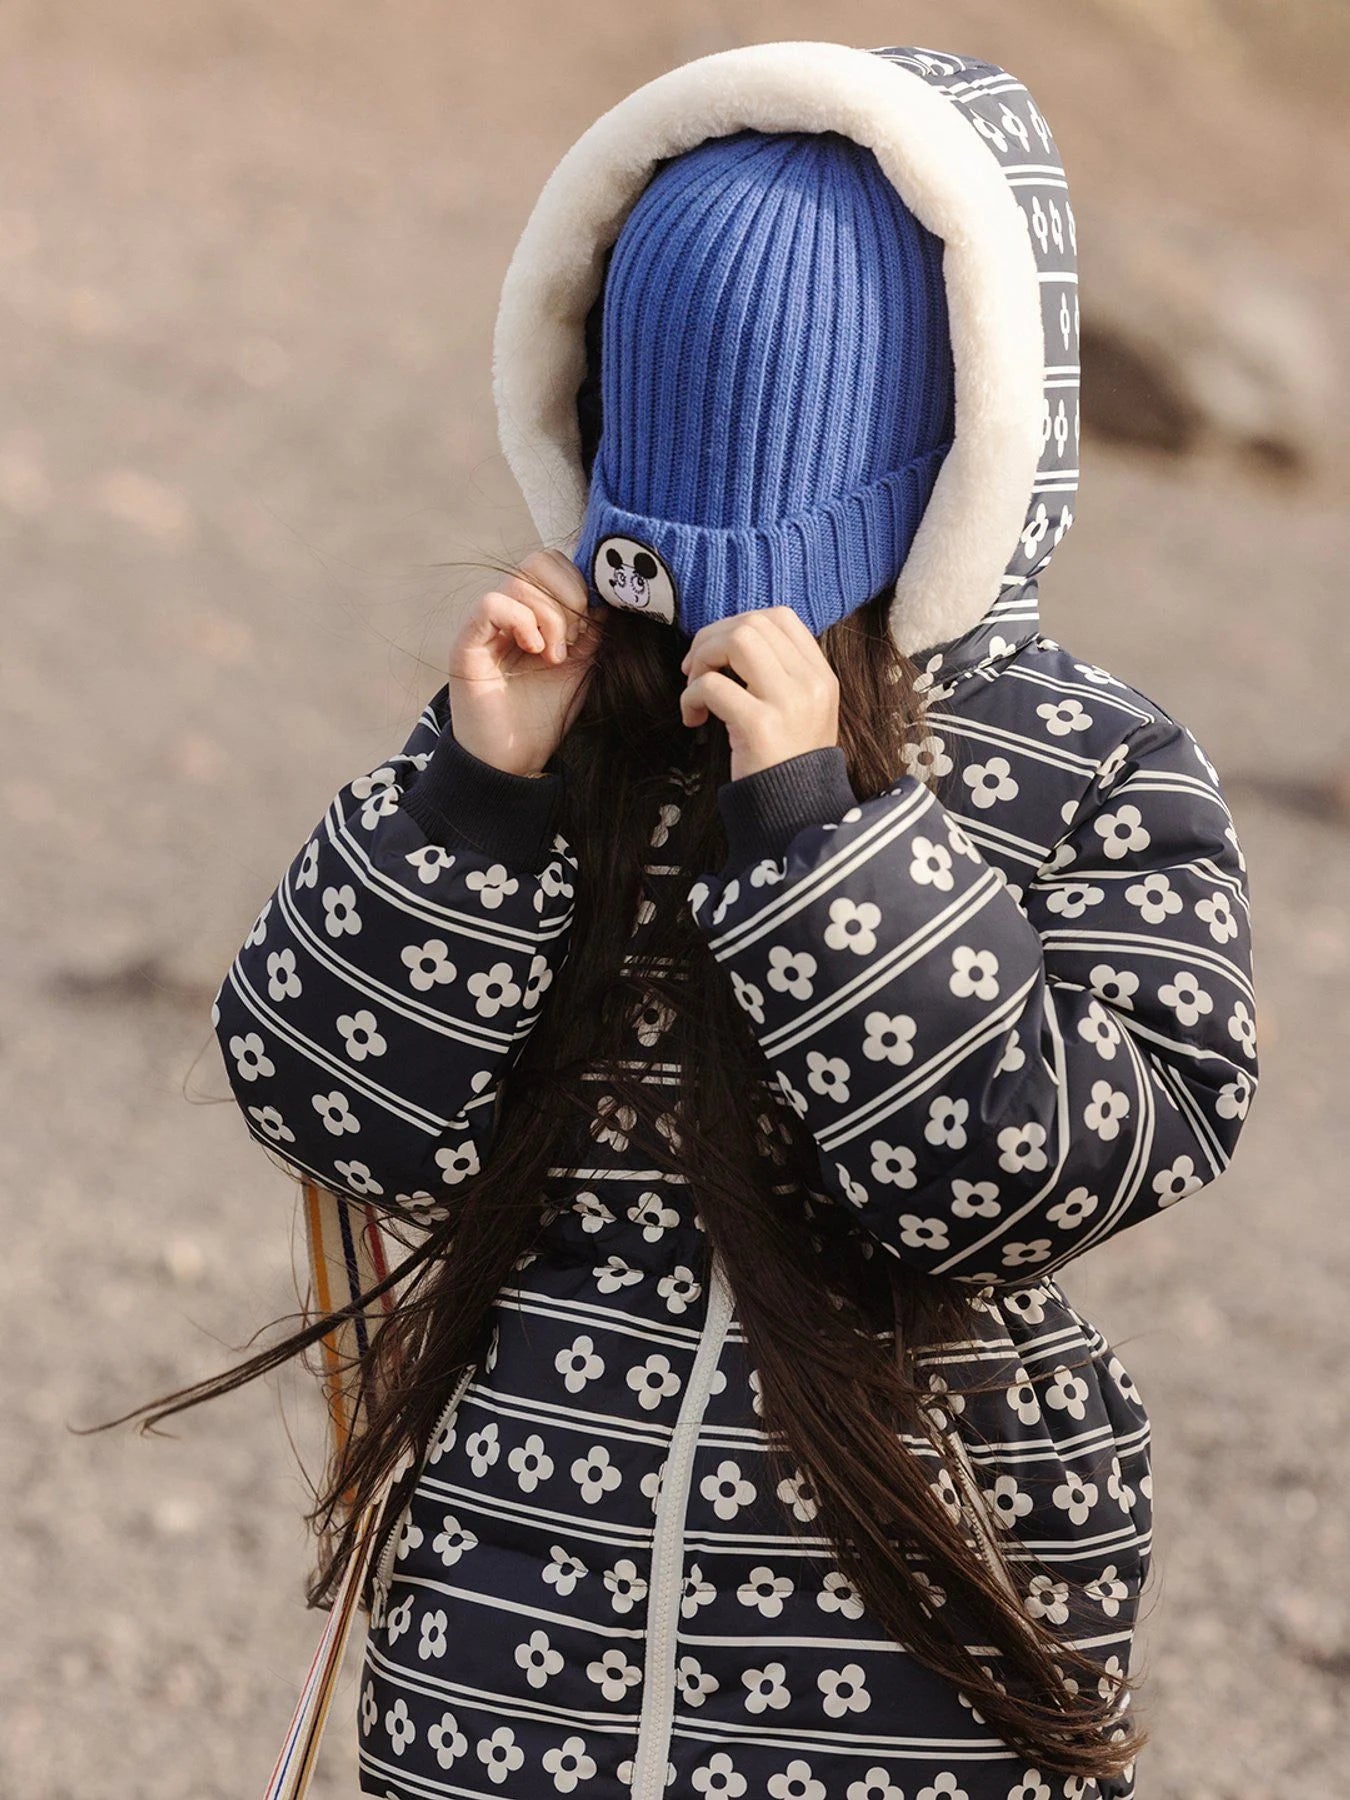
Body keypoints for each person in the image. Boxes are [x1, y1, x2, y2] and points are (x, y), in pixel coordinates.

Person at [185, 41, 1257, 1800]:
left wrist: (819, 842)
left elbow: (1043, 1170)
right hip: (517, 1629)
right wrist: (473, 796)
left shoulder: (1086, 764)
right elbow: (330, 1110)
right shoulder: (566, 724)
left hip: (904, 1645)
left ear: (969, 447)